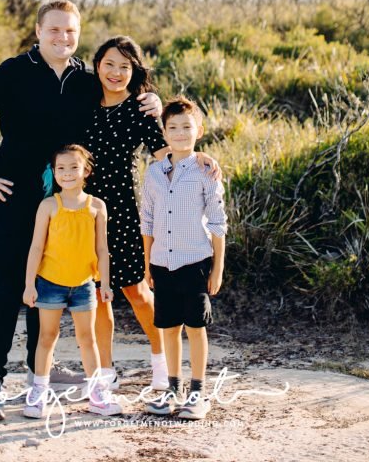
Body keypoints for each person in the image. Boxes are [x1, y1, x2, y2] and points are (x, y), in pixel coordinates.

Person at [0, 0, 161, 422]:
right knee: (10, 289)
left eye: (71, 31)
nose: (63, 38)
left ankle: (37, 376)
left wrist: (152, 100)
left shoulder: (86, 77)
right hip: (14, 200)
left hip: (67, 205)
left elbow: (120, 94)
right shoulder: (13, 72)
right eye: (55, 30)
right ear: (38, 31)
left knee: (48, 293)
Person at [81, 36, 222, 393]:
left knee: (137, 292)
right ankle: (105, 371)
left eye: (124, 67)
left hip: (123, 210)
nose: (115, 73)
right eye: (109, 64)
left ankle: (161, 362)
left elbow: (168, 155)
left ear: (135, 71)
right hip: (83, 209)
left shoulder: (141, 110)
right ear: (97, 65)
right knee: (97, 294)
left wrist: (200, 160)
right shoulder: (81, 101)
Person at [140, 96, 226, 421]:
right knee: (169, 328)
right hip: (162, 263)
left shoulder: (206, 172)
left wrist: (217, 268)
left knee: (195, 327)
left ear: (198, 130)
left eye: (186, 127)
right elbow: (147, 220)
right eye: (173, 127)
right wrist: (149, 263)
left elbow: (218, 222)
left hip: (195, 263)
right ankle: (172, 390)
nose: (180, 133)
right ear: (163, 132)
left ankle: (197, 392)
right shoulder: (154, 173)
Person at [22, 144, 123, 418]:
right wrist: (29, 284)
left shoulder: (96, 207)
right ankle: (38, 394)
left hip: (84, 284)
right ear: (53, 173)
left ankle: (97, 394)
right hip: (49, 283)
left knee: (87, 339)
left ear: (86, 170)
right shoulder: (48, 205)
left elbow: (102, 249)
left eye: (74, 167)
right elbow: (35, 248)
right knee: (47, 337)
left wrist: (105, 283)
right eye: (61, 168)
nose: (67, 173)